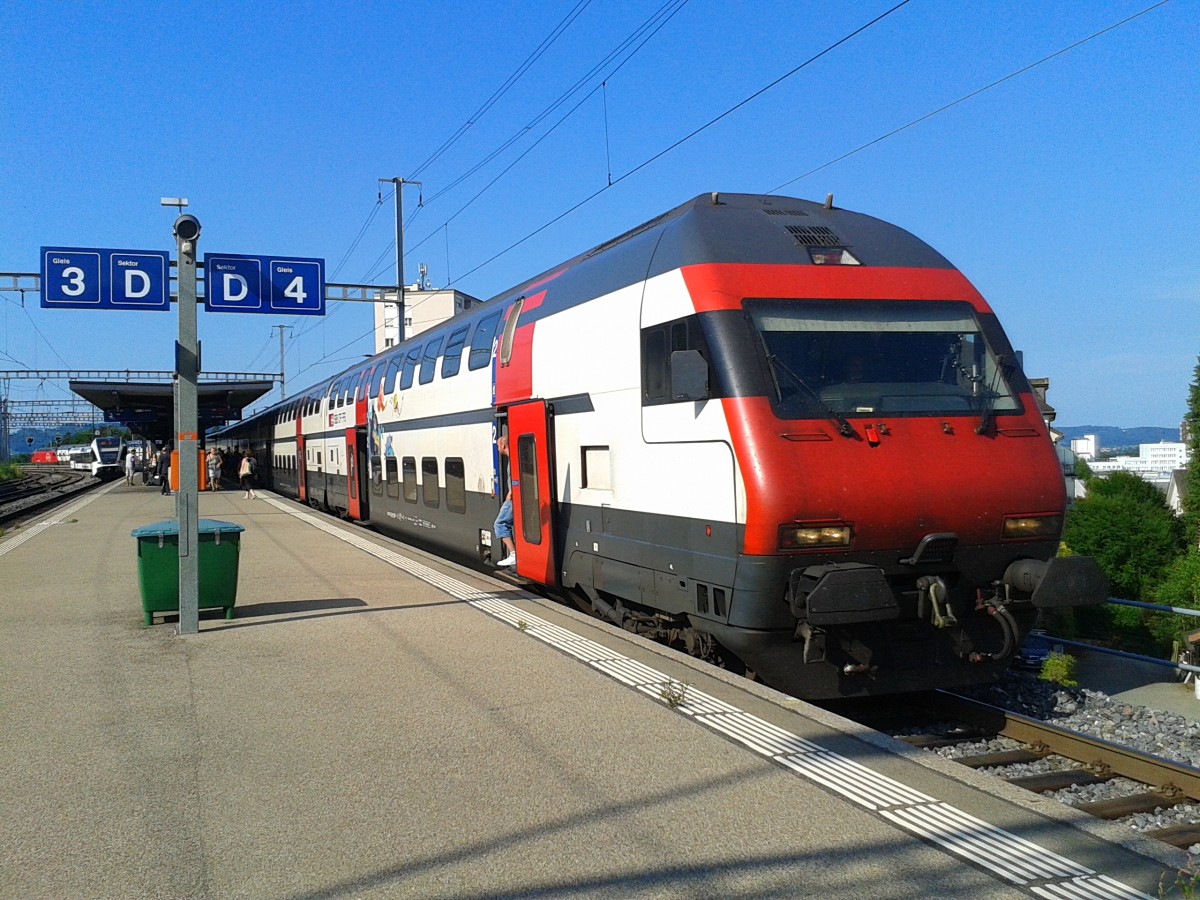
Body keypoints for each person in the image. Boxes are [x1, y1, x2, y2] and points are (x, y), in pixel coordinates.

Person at [493, 433, 516, 567]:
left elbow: (518, 477)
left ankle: (513, 554)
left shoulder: (513, 460)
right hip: (513, 497)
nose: (497, 449)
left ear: (503, 445)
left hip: (513, 499)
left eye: (498, 446)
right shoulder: (514, 459)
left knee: (500, 524)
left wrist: (512, 492)